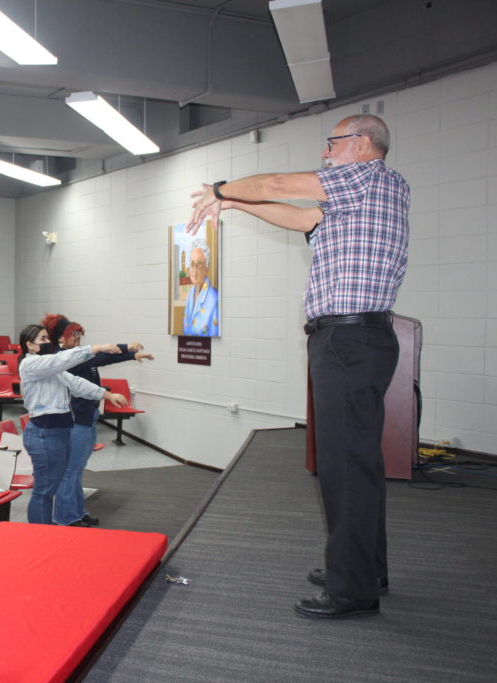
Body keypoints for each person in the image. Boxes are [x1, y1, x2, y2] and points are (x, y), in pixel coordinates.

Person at [186, 114, 408, 619]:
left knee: (344, 465)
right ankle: (366, 566)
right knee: (360, 460)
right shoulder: (364, 196)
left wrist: (218, 186)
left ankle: (352, 588)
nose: (326, 153)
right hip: (359, 339)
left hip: (348, 339)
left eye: (333, 144)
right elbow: (297, 215)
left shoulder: (366, 176)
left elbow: (278, 184)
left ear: (364, 144)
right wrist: (232, 204)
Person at [41, 314, 152, 527]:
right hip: (75, 420)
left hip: (87, 417)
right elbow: (100, 357)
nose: (78, 338)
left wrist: (130, 355)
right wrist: (126, 349)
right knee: (70, 471)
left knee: (77, 470)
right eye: (73, 335)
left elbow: (99, 359)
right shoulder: (63, 357)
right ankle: (65, 518)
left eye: (79, 334)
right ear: (61, 339)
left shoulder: (76, 355)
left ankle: (77, 511)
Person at [16, 324, 127, 525]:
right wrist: (95, 348)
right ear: (30, 345)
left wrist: (107, 394)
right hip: (44, 434)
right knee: (44, 491)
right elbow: (61, 359)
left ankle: (48, 529)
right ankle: (39, 536)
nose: (47, 342)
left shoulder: (50, 367)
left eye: (47, 338)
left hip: (60, 431)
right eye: (42, 339)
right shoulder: (30, 364)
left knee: (54, 485)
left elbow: (76, 384)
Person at [181, 238, 219, 337]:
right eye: (192, 264)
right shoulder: (190, 294)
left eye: (199, 264)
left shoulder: (214, 299)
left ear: (206, 268)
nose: (194, 270)